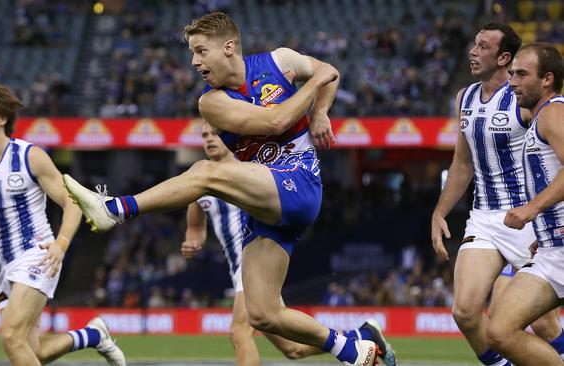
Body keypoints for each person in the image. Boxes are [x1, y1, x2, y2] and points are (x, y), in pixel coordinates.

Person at [64, 12, 390, 366]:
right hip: (265, 201)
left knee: (206, 172)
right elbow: (276, 119)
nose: (194, 61)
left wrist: (321, 112)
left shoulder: (280, 61)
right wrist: (315, 85)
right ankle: (357, 345)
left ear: (229, 47)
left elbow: (331, 75)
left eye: (201, 51)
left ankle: (115, 209)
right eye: (192, 53)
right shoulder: (211, 102)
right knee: (262, 314)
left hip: (299, 181)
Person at [181, 122, 395, 365]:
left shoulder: (251, 169)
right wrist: (193, 240)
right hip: (242, 272)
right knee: (294, 349)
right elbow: (195, 227)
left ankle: (352, 348)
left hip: (253, 260)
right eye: (205, 135)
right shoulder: (200, 178)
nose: (209, 139)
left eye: (215, 134)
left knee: (239, 332)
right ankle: (363, 336)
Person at [0, 81, 126, 366]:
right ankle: (93, 336)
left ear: (2, 119)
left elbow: (72, 201)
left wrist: (61, 245)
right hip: (4, 267)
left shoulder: (29, 156)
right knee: (32, 350)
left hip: (37, 255)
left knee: (11, 337)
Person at [430, 24, 563, 366]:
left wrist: (536, 209)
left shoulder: (530, 101)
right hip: (485, 216)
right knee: (465, 311)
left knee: (542, 322)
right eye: (473, 44)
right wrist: (440, 211)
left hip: (525, 217)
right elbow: (462, 163)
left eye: (483, 46)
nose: (473, 51)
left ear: (504, 57)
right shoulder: (465, 97)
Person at [487, 42, 564, 365]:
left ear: (547, 79)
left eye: (521, 74)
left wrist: (532, 210)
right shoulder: (542, 117)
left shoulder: (555, 113)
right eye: (512, 73)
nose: (512, 81)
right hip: (551, 248)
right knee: (500, 330)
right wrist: (542, 231)